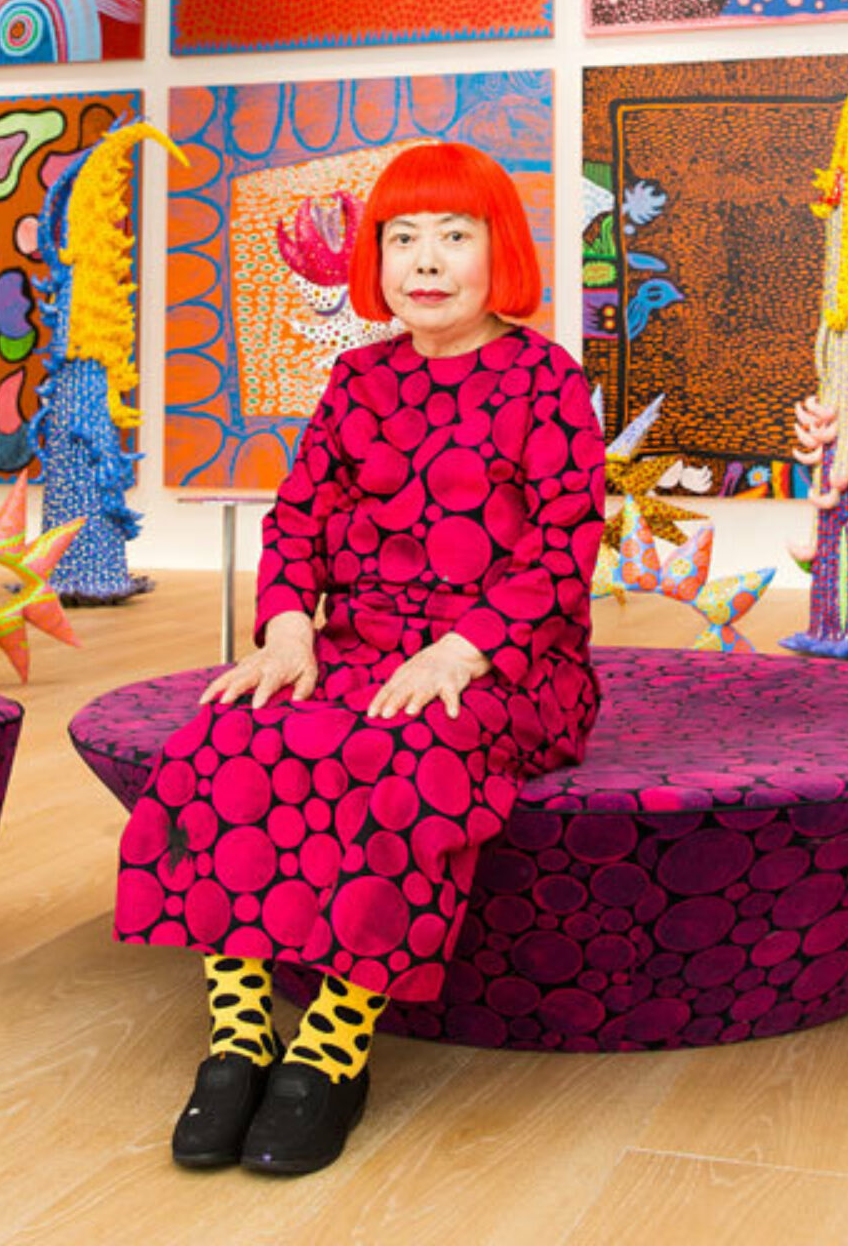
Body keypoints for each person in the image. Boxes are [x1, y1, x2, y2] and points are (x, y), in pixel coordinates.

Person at [112, 140, 606, 1175]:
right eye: (402, 238)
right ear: (374, 260)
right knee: (230, 730)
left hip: (505, 661)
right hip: (357, 641)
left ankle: (335, 1045)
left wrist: (462, 651)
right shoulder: (358, 376)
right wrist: (289, 624)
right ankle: (241, 1032)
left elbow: (561, 551)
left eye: (454, 236)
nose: (425, 261)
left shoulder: (547, 380)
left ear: (499, 252)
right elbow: (298, 520)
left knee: (400, 757)